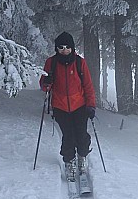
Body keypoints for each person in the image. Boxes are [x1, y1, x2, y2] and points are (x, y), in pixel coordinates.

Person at [39, 31, 96, 180]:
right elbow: (44, 87)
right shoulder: (51, 63)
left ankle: (82, 158)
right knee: (68, 136)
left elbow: (88, 85)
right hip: (60, 107)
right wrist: (46, 82)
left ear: (72, 48)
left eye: (67, 47)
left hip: (80, 106)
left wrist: (91, 105)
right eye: (61, 47)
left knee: (81, 135)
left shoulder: (79, 62)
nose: (64, 50)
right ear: (56, 48)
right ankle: (69, 162)